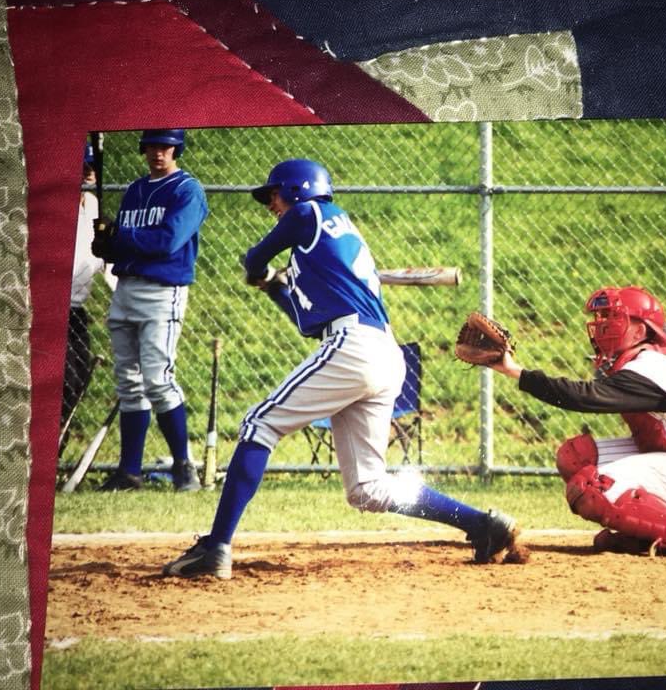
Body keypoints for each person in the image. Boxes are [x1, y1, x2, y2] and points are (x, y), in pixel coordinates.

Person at [162, 158, 518, 579]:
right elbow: (304, 321)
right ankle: (482, 524)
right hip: (380, 354)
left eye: (273, 195)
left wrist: (257, 270)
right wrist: (275, 286)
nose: (270, 205)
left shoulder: (311, 212)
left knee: (259, 425)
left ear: (298, 189)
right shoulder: (324, 245)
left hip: (356, 346)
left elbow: (256, 255)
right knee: (368, 489)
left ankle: (216, 547)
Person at [488, 286, 666, 556]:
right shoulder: (641, 363)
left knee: (592, 488)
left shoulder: (652, 368)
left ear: (640, 331)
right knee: (575, 456)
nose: (602, 325)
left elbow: (584, 398)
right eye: (601, 318)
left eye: (613, 318)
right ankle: (650, 534)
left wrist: (515, 371)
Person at [91, 129, 208, 492]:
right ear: (143, 149)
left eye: (166, 147)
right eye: (153, 146)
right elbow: (120, 250)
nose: (159, 153)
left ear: (177, 149)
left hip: (163, 291)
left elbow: (168, 242)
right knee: (129, 382)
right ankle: (130, 472)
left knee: (158, 379)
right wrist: (105, 242)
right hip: (125, 288)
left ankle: (183, 466)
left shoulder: (187, 190)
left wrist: (121, 237)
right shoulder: (136, 190)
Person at [60, 142, 117, 452]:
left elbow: (110, 264)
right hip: (49, 309)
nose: (88, 174)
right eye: (82, 168)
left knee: (78, 377)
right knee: (64, 379)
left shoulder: (95, 207)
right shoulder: (53, 207)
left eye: (91, 168)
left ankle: (56, 445)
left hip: (76, 312)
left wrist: (125, 300)